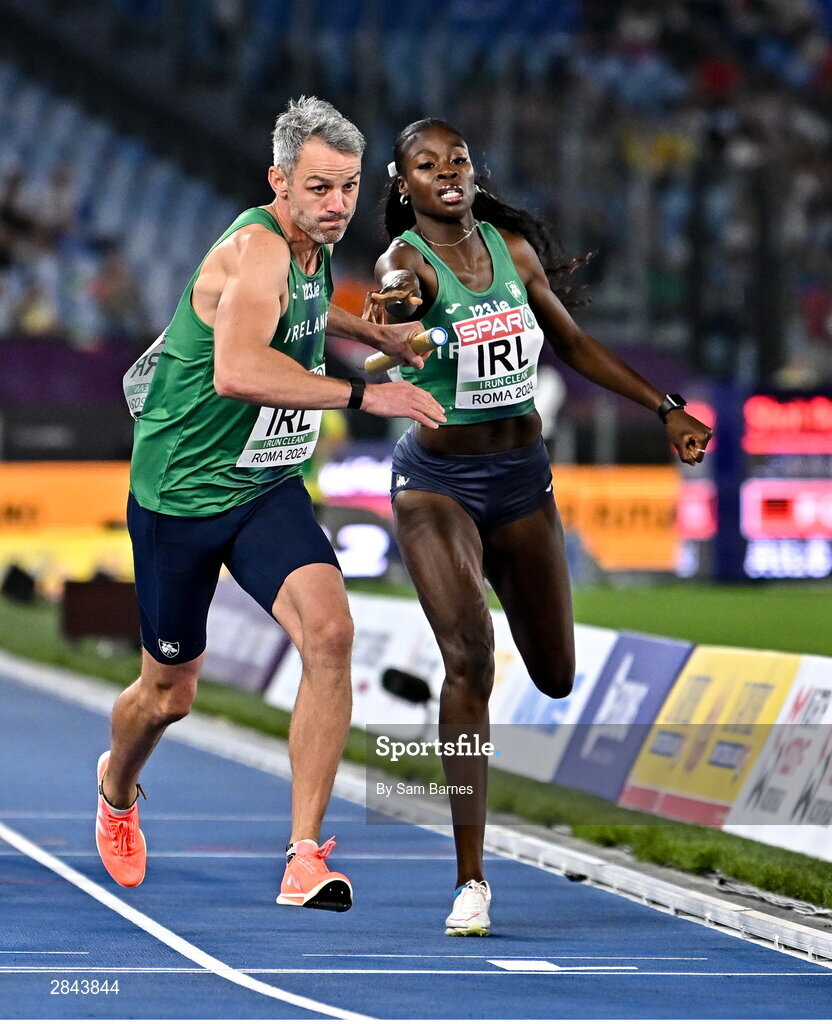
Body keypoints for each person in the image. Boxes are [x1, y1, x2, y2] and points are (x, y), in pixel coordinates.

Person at [95, 97, 444, 911]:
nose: (336, 205)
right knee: (167, 695)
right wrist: (368, 392)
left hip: (263, 484)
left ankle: (304, 856)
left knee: (331, 632)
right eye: (319, 188)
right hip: (181, 495)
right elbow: (240, 371)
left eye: (350, 188)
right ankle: (116, 788)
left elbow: (308, 319)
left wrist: (377, 335)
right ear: (278, 182)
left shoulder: (311, 249)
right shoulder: (255, 250)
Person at [366, 118, 712, 936]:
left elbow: (576, 346)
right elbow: (392, 297)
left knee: (556, 673)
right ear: (401, 182)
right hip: (437, 483)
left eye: (458, 160)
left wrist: (664, 407)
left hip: (522, 482)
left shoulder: (512, 254)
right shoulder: (404, 261)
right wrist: (396, 314)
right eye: (428, 164)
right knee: (469, 657)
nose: (447, 173)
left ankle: (475, 687)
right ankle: (471, 881)